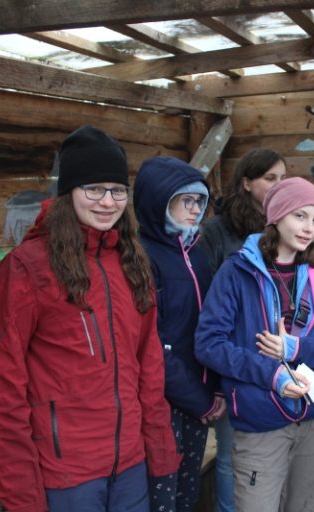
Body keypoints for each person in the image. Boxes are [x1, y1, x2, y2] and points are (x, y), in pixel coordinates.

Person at [0, 125, 180, 512]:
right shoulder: (28, 268)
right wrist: (22, 497)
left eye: (117, 190)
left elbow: (150, 366)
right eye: (94, 189)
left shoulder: (132, 261)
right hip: (67, 475)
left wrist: (159, 453)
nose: (107, 201)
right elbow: (2, 389)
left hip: (130, 466)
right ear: (69, 191)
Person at [195, 177, 314, 512]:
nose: (308, 228)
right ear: (276, 215)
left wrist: (294, 349)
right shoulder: (237, 272)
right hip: (260, 417)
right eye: (299, 216)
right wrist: (273, 374)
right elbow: (209, 344)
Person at [133, 156, 225, 511]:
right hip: (163, 402)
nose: (196, 209)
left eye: (200, 201)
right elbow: (152, 342)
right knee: (162, 496)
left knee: (187, 495)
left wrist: (214, 387)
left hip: (198, 397)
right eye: (186, 200)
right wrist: (198, 399)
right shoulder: (142, 259)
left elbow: (211, 325)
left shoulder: (196, 252)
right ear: (159, 199)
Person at [198, 148, 286, 512]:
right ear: (246, 183)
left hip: (278, 360)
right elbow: (207, 304)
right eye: (270, 178)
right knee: (231, 455)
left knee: (274, 453)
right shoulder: (218, 231)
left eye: (283, 179)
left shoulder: (283, 227)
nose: (278, 186)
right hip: (234, 363)